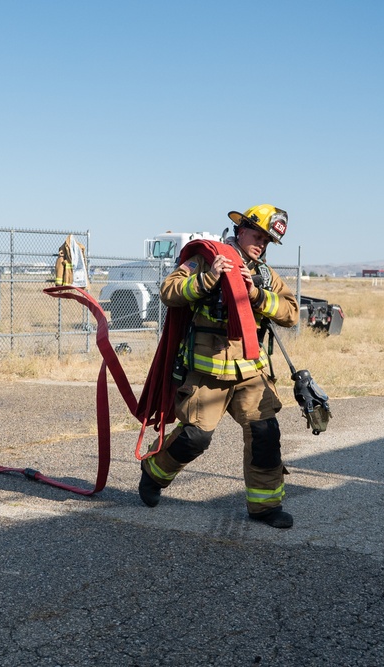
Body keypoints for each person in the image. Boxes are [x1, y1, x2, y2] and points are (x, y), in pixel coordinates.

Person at [138, 204, 300, 528]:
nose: (262, 245)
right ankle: (154, 473)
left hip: (250, 371)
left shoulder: (265, 275)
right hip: (207, 372)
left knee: (265, 434)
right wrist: (208, 279)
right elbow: (169, 291)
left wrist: (256, 293)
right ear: (241, 230)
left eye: (267, 241)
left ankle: (265, 507)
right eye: (258, 236)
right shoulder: (207, 258)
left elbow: (291, 312)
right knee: (195, 438)